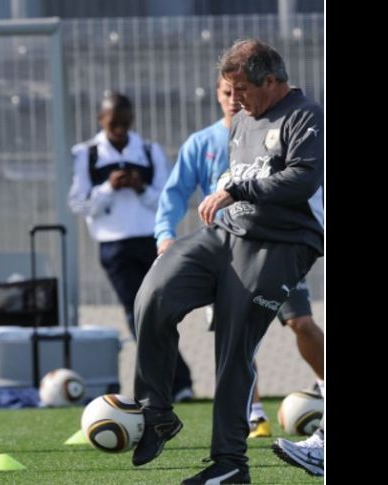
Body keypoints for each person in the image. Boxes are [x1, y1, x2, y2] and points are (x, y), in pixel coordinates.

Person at [130, 39, 323, 484]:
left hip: (281, 244)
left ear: (272, 81)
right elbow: (234, 180)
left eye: (241, 90)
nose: (233, 100)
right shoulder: (239, 123)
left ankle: (231, 464)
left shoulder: (305, 114)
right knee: (153, 293)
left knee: (234, 345)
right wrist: (229, 194)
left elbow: (301, 179)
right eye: (228, 91)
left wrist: (236, 191)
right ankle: (156, 411)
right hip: (224, 234)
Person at [68, 92, 194, 401]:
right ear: (101, 121)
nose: (120, 130)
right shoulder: (87, 154)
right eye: (113, 124)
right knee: (135, 312)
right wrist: (109, 187)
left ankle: (177, 382)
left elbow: (167, 200)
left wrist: (141, 188)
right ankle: (171, 382)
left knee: (159, 309)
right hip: (114, 247)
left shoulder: (149, 151)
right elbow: (79, 204)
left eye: (125, 123)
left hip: (150, 242)